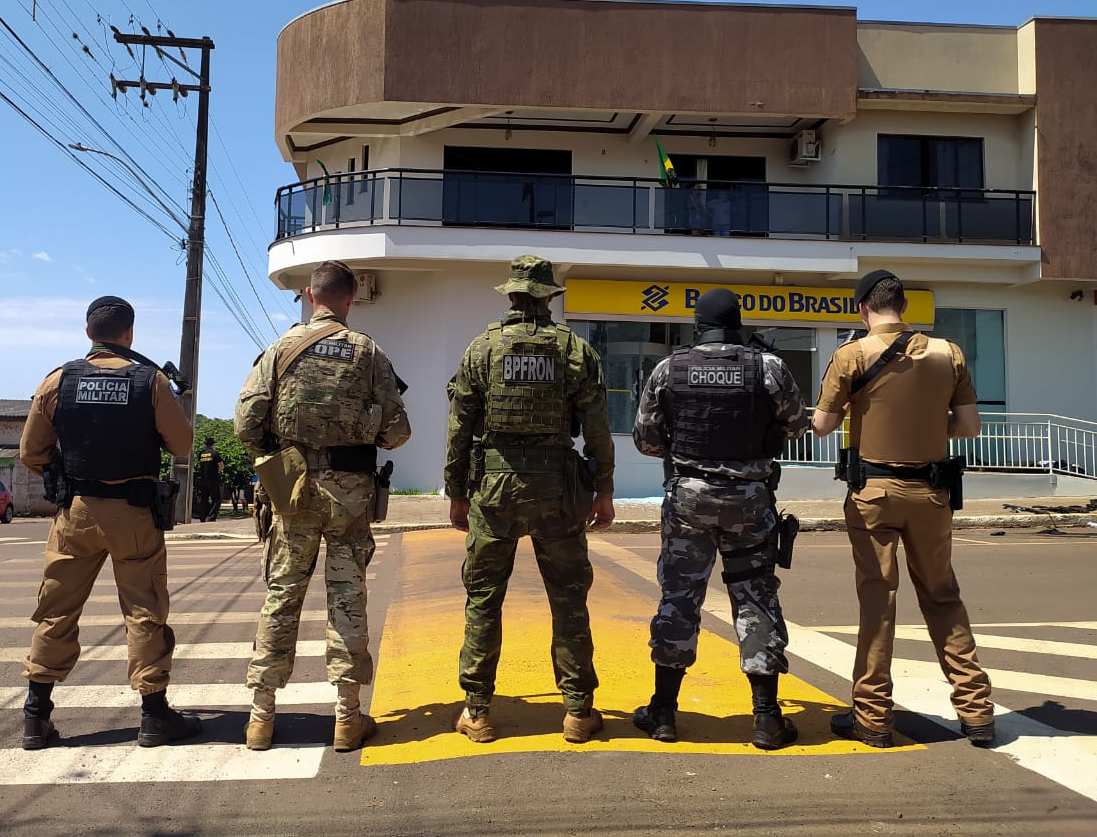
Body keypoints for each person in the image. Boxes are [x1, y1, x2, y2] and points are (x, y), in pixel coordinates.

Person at [812, 270, 996, 748]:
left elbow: (822, 425)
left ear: (862, 309)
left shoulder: (851, 355)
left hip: (874, 492)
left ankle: (872, 718)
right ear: (904, 308)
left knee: (879, 600)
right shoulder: (948, 353)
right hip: (932, 494)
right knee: (942, 595)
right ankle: (976, 711)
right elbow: (970, 427)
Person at [234, 260, 410, 753]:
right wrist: (363, 420)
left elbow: (246, 426)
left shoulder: (279, 349)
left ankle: (260, 720)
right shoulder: (367, 352)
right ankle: (347, 719)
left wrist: (285, 456)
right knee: (347, 598)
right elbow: (398, 431)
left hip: (290, 493)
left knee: (282, 595)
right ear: (351, 298)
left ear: (310, 296)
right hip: (350, 495)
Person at [445, 254, 615, 745]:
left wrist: (456, 492)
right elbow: (599, 432)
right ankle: (578, 712)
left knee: (483, 600)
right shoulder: (575, 350)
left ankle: (477, 711)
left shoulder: (481, 350)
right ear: (547, 298)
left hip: (494, 489)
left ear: (512, 295)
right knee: (568, 601)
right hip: (560, 490)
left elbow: (459, 430)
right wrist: (603, 491)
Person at [18, 295, 201, 750]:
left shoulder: (59, 380)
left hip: (77, 511)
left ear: (88, 333)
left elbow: (30, 454)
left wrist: (64, 473)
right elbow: (181, 446)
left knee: (57, 608)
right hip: (133, 512)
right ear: (130, 333)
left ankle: (35, 715)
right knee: (143, 608)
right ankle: (154, 716)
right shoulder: (152, 381)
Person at [631, 288, 808, 749]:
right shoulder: (766, 367)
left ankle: (664, 714)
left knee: (680, 596)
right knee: (755, 597)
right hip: (750, 500)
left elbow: (646, 440)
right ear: (737, 321)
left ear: (697, 323)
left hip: (688, 499)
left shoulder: (670, 368)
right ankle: (767, 719)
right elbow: (795, 425)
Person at [195, 436, 224, 521]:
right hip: (213, 479)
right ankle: (211, 517)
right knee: (216, 499)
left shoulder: (201, 454)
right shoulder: (215, 453)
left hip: (203, 480)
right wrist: (218, 471)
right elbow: (221, 465)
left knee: (204, 499)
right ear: (212, 445)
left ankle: (202, 517)